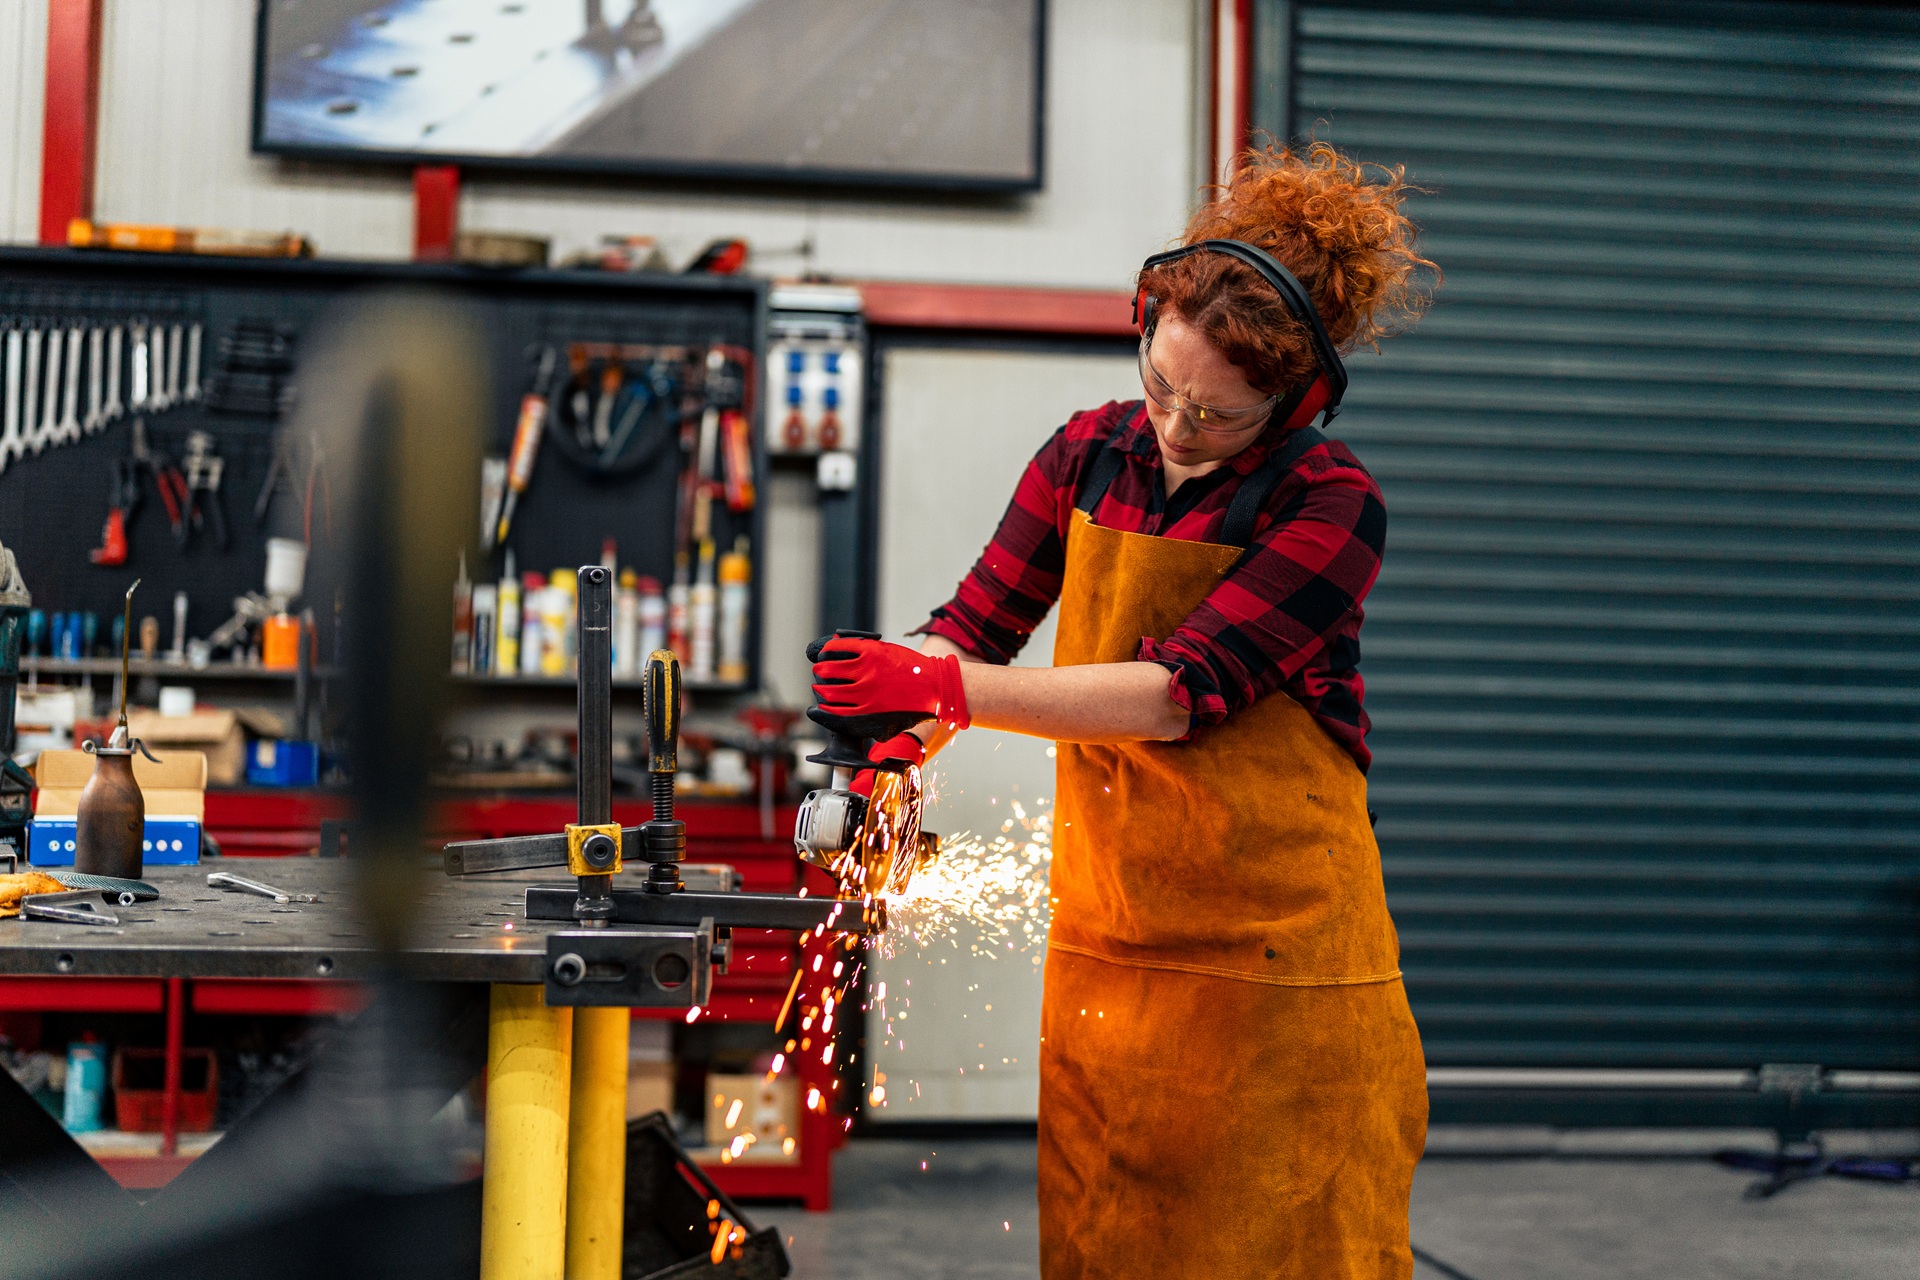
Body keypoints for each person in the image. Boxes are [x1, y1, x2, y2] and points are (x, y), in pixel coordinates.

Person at [811, 142, 1437, 1277]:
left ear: (1292, 404)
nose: (1178, 429)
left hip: (1278, 958)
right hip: (1114, 941)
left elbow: (1174, 693)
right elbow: (976, 630)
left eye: (1220, 416)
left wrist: (950, 689)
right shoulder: (1088, 452)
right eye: (1163, 385)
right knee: (1110, 1246)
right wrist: (895, 738)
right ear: (1144, 321)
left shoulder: (1330, 503)